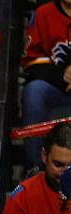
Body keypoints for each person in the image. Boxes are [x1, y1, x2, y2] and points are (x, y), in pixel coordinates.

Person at [21, 0, 71, 169]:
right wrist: (61, 75)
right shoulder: (44, 13)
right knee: (34, 91)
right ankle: (36, 168)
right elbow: (30, 62)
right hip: (56, 89)